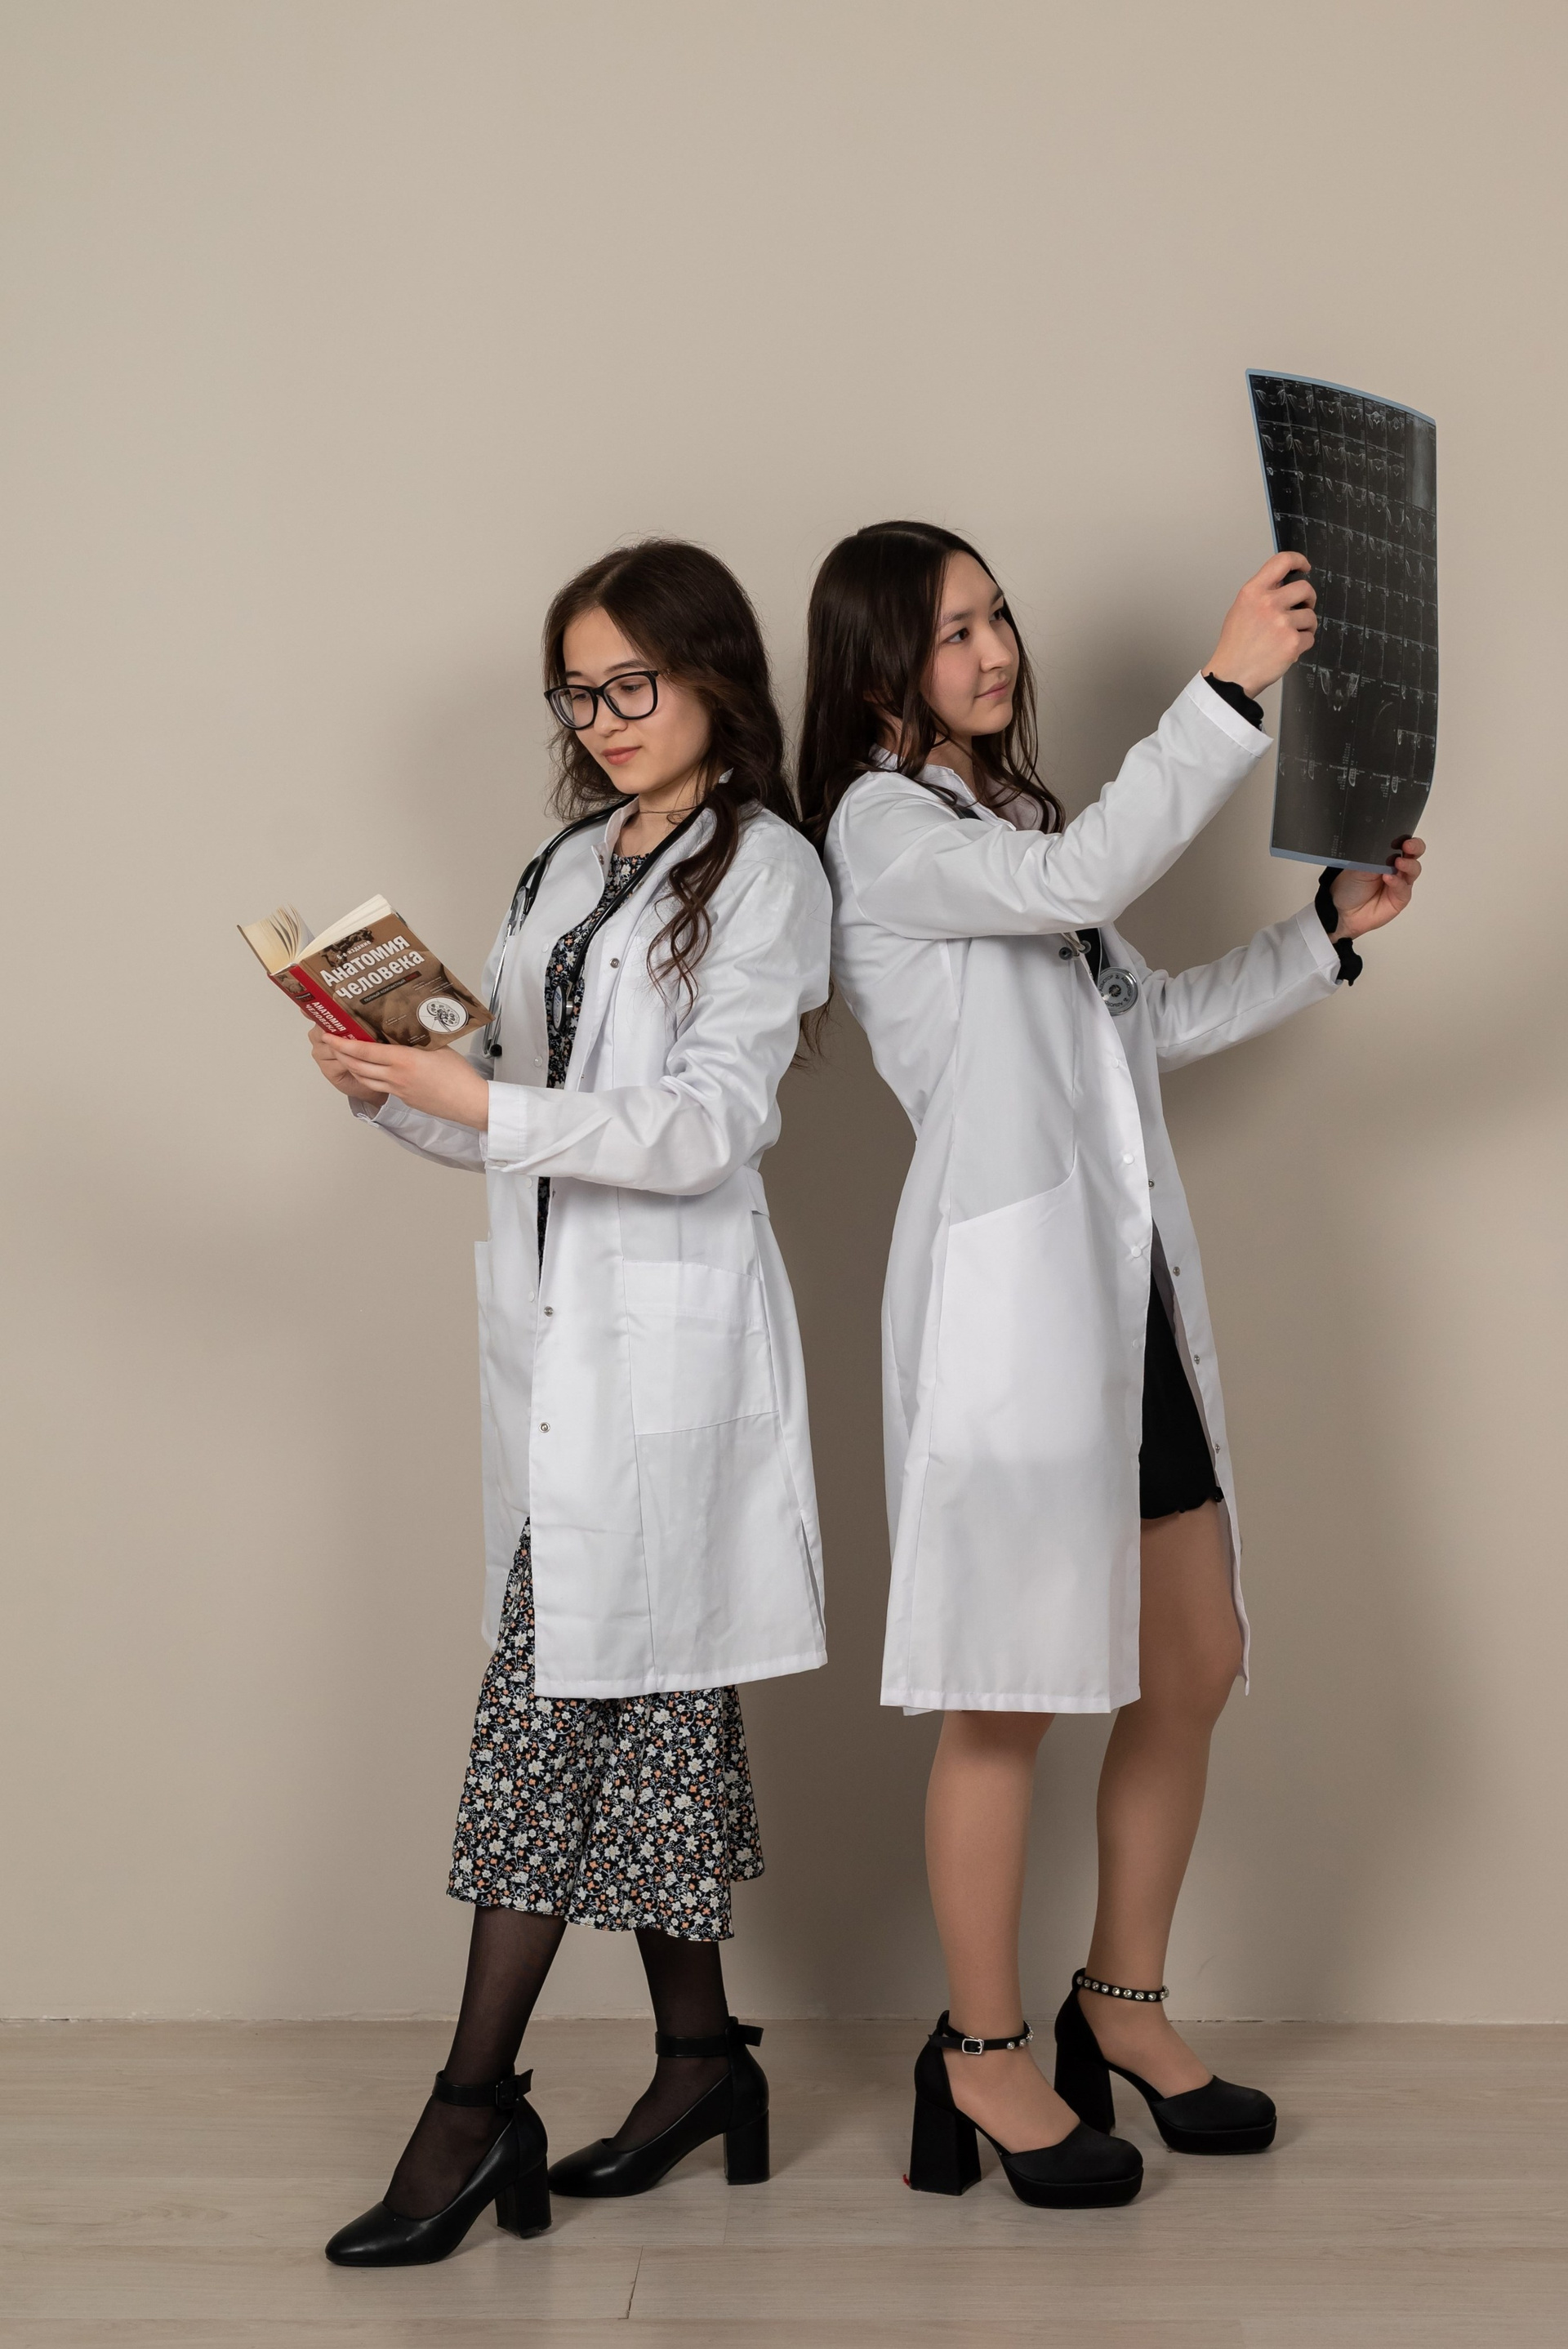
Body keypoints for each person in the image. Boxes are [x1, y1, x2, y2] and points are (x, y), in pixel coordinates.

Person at [800, 521, 1423, 2209]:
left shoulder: (1009, 826)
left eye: (998, 616)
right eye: (953, 632)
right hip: (1011, 1318)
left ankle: (1121, 2003)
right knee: (1006, 1692)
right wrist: (1228, 688)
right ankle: (980, 2050)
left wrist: (1326, 932)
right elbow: (1082, 889)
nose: (995, 650)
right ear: (878, 666)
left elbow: (1151, 1022)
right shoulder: (881, 830)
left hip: (1121, 1291)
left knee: (1194, 1658)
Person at [310, 539, 831, 2265]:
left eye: (632, 684)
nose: (602, 719)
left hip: (667, 1359)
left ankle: (472, 2109)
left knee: (548, 1722)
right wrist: (391, 1085)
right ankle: (702, 2063)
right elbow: (513, 1110)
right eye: (578, 690)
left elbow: (706, 1124)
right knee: (648, 1714)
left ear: (712, 676)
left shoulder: (767, 868)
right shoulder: (559, 864)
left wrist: (482, 1100)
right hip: (557, 1346)